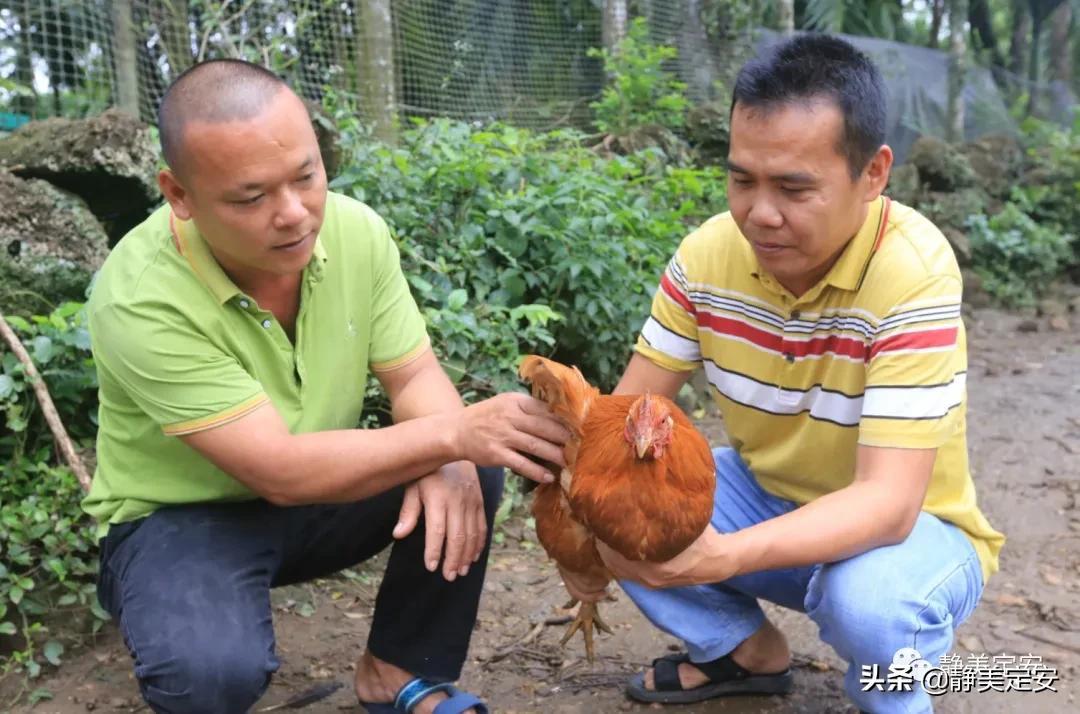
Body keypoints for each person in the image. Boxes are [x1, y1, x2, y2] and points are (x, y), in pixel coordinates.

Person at [83, 58, 571, 714]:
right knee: (207, 671)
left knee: (467, 463)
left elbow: (414, 374)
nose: (293, 215)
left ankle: (398, 672)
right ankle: (177, 617)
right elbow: (279, 471)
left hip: (319, 485)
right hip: (182, 518)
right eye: (251, 197)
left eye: (306, 176)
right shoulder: (140, 296)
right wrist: (452, 433)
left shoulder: (354, 231)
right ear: (180, 195)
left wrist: (453, 447)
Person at [578, 34, 1005, 714]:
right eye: (742, 178)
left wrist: (722, 556)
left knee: (869, 603)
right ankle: (744, 653)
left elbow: (888, 505)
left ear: (873, 174)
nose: (759, 213)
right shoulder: (707, 256)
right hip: (767, 498)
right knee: (608, 500)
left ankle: (895, 691)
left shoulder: (912, 274)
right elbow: (618, 421)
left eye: (794, 187)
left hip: (915, 532)